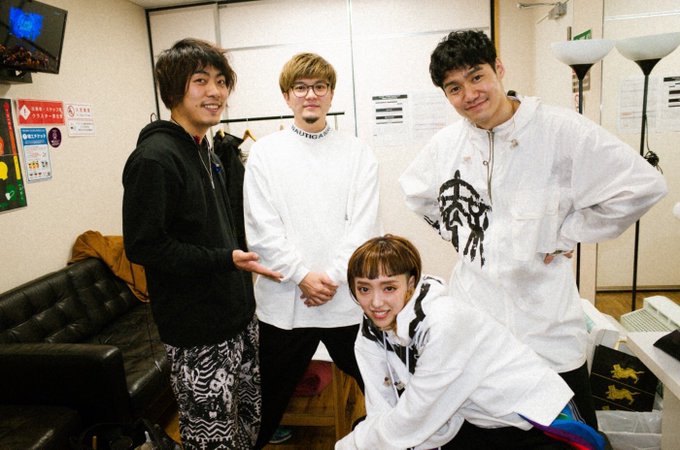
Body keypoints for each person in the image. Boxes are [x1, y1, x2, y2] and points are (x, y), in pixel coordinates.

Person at [399, 30, 668, 429]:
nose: (469, 94)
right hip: (477, 317)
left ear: (499, 69)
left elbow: (643, 185)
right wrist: (460, 232)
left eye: (477, 76)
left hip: (546, 325)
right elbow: (416, 193)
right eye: (454, 88)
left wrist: (567, 232)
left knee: (571, 434)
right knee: (483, 431)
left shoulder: (558, 129)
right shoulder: (447, 144)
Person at [122, 38, 282, 449]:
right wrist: (225, 259)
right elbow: (144, 245)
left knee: (247, 426)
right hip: (197, 333)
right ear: (173, 90)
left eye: (221, 81)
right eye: (200, 81)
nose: (215, 92)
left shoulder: (206, 150)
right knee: (212, 441)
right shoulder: (155, 158)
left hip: (238, 318)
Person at [336, 234, 605, 450]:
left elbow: (416, 416)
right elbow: (382, 409)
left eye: (389, 288)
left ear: (411, 283)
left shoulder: (444, 323)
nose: (376, 302)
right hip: (476, 420)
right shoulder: (371, 331)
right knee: (370, 431)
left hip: (536, 421)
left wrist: (347, 446)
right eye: (364, 289)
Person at [243, 52, 381, 447]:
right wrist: (302, 275)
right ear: (287, 96)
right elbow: (262, 229)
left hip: (345, 300)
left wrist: (331, 277)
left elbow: (364, 226)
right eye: (301, 88)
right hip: (285, 302)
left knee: (382, 386)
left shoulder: (357, 152)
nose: (311, 95)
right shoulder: (265, 154)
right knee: (267, 402)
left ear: (331, 94)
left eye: (319, 87)